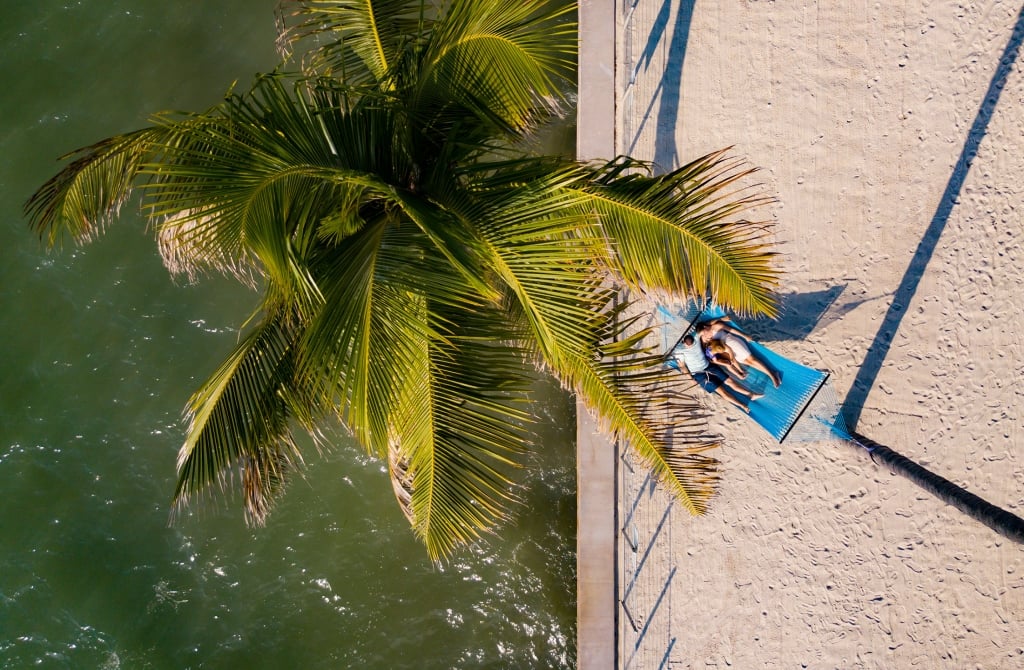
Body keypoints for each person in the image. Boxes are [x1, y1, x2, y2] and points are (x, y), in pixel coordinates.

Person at [673, 334, 762, 413]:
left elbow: (703, 330)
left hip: (709, 366)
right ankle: (742, 405)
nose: (691, 347)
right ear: (684, 343)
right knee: (722, 391)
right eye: (689, 346)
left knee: (730, 382)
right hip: (698, 374)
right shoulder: (679, 350)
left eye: (692, 345)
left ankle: (751, 395)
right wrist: (691, 379)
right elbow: (682, 366)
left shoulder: (696, 338)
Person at [696, 318, 782, 388]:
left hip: (732, 342)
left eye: (703, 332)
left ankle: (772, 376)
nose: (703, 335)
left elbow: (732, 330)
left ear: (705, 327)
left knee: (752, 359)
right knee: (749, 362)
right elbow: (706, 349)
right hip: (726, 349)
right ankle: (772, 373)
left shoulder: (716, 326)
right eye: (701, 335)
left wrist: (745, 336)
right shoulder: (704, 337)